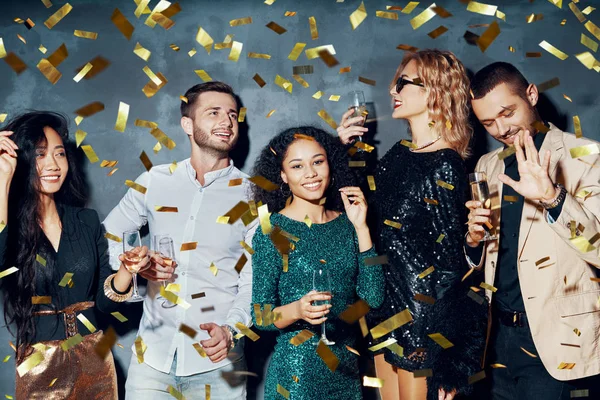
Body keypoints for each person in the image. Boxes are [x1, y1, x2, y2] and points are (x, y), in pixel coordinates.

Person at [337, 49, 488, 400]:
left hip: (421, 323)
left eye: (403, 83)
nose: (393, 90)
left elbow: (451, 268)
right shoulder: (399, 153)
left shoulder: (445, 165)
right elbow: (365, 214)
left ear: (434, 90)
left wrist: (448, 353)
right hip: (384, 312)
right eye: (395, 82)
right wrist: (344, 150)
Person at [103, 81, 257, 399]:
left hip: (219, 366)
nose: (227, 121)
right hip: (151, 364)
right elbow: (108, 234)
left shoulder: (253, 195)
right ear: (187, 123)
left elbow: (254, 282)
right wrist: (134, 268)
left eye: (232, 114)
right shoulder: (155, 181)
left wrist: (231, 330)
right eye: (213, 112)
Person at [465, 61, 600, 399]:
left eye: (507, 113)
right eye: (488, 122)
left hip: (560, 340)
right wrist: (472, 241)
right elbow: (489, 260)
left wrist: (554, 199)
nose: (500, 129)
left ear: (532, 94)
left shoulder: (585, 155)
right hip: (497, 343)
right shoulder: (487, 166)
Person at [0, 112, 142, 399]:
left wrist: (127, 270)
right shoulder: (10, 226)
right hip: (38, 364)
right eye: (40, 155)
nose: (53, 165)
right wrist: (2, 180)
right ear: (21, 159)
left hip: (95, 359)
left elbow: (103, 303)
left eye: (60, 154)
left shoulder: (86, 220)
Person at [250, 126, 385, 399]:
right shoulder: (271, 230)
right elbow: (260, 316)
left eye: (318, 162)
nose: (310, 173)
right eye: (297, 166)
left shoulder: (349, 224)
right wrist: (297, 310)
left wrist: (362, 228)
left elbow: (374, 298)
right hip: (295, 379)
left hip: (346, 376)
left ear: (330, 165)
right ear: (283, 175)